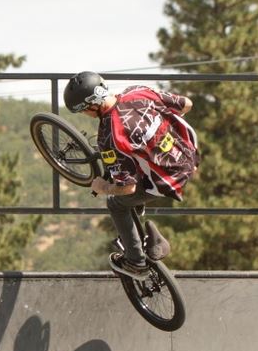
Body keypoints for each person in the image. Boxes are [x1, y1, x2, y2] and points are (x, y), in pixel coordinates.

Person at [63, 71, 200, 278]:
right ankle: (142, 221)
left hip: (168, 180)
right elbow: (187, 104)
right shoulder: (138, 92)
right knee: (135, 159)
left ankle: (136, 262)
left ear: (92, 105)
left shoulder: (109, 136)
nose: (85, 115)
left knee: (116, 204)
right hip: (188, 155)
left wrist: (102, 188)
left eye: (83, 111)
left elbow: (128, 187)